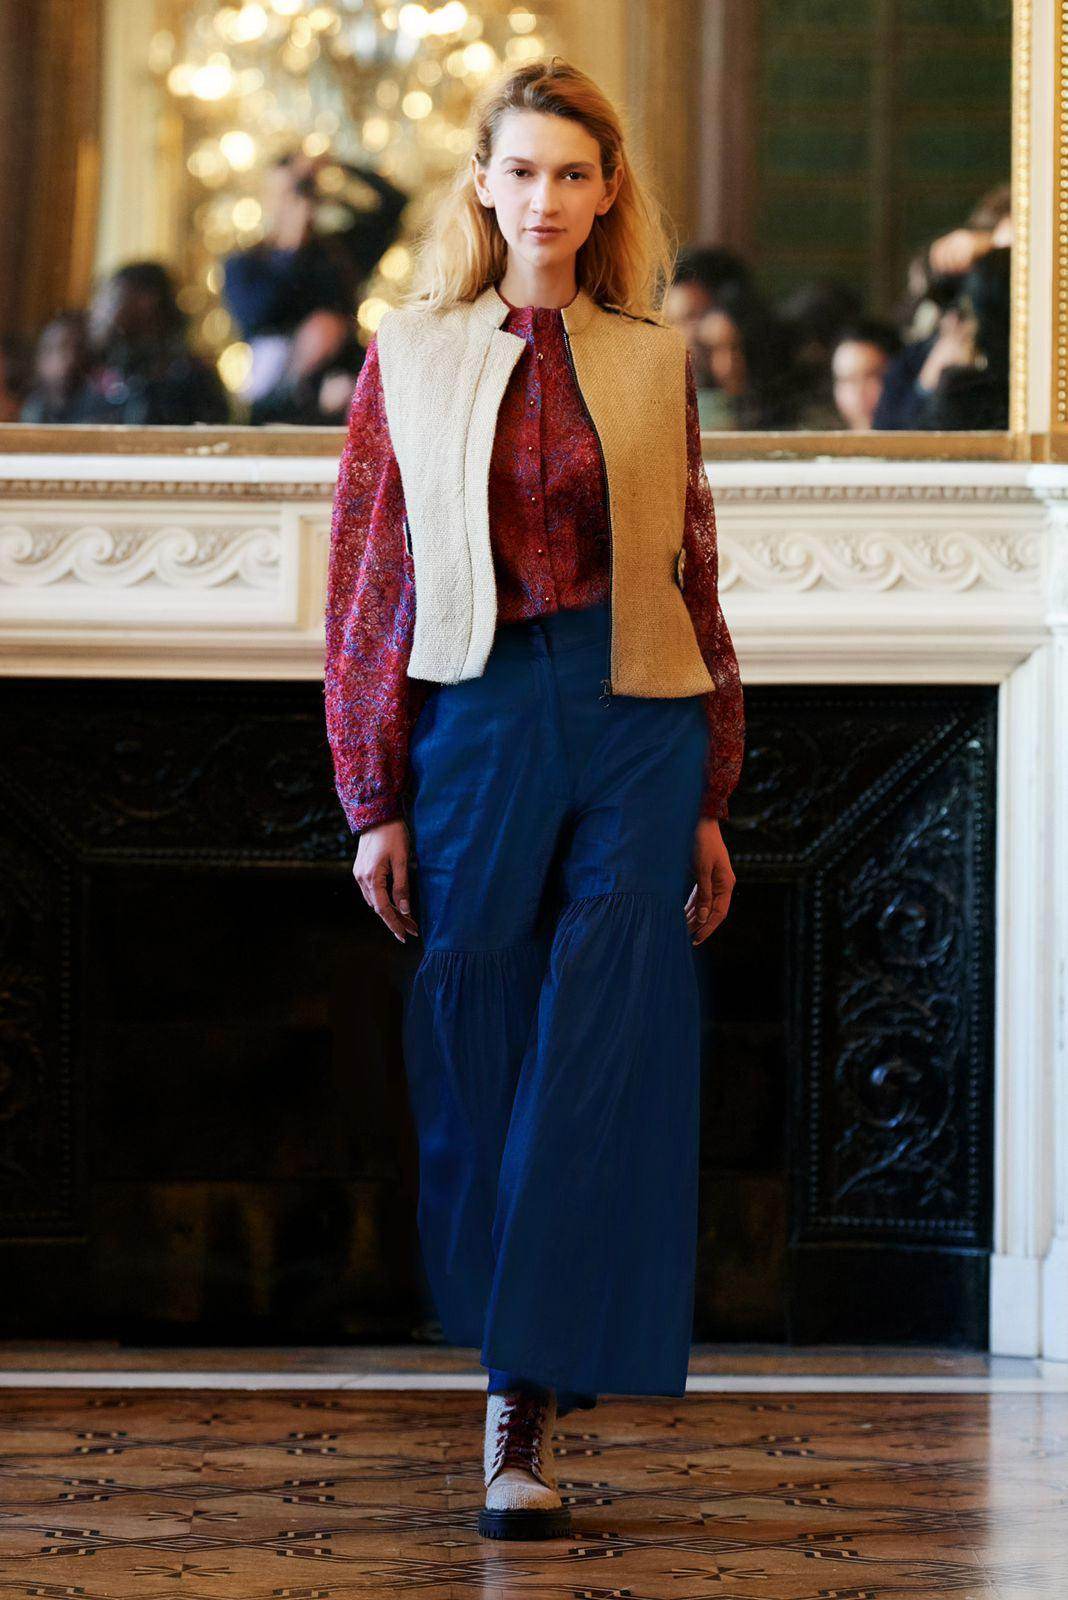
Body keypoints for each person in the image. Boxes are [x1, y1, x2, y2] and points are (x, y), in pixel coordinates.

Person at [323, 56, 745, 1541]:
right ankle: (514, 1362)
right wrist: (372, 793)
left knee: (605, 1038)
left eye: (574, 172)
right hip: (481, 706)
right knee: (480, 1025)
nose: (547, 197)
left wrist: (711, 790)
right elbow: (369, 581)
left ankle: (525, 1403)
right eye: (523, 170)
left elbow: (694, 568)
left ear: (609, 190)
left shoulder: (652, 356)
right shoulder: (413, 351)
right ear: (482, 184)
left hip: (640, 713)